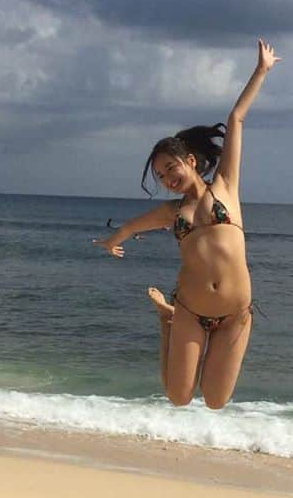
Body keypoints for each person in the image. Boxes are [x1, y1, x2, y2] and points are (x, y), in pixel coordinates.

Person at [94, 39, 279, 409]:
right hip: (191, 311)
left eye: (171, 168)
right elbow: (132, 225)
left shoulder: (225, 186)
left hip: (234, 314)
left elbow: (236, 118)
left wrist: (261, 71)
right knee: (178, 398)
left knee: (214, 401)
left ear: (191, 161)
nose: (167, 178)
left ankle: (170, 318)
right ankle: (168, 319)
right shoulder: (170, 213)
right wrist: (111, 240)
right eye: (161, 175)